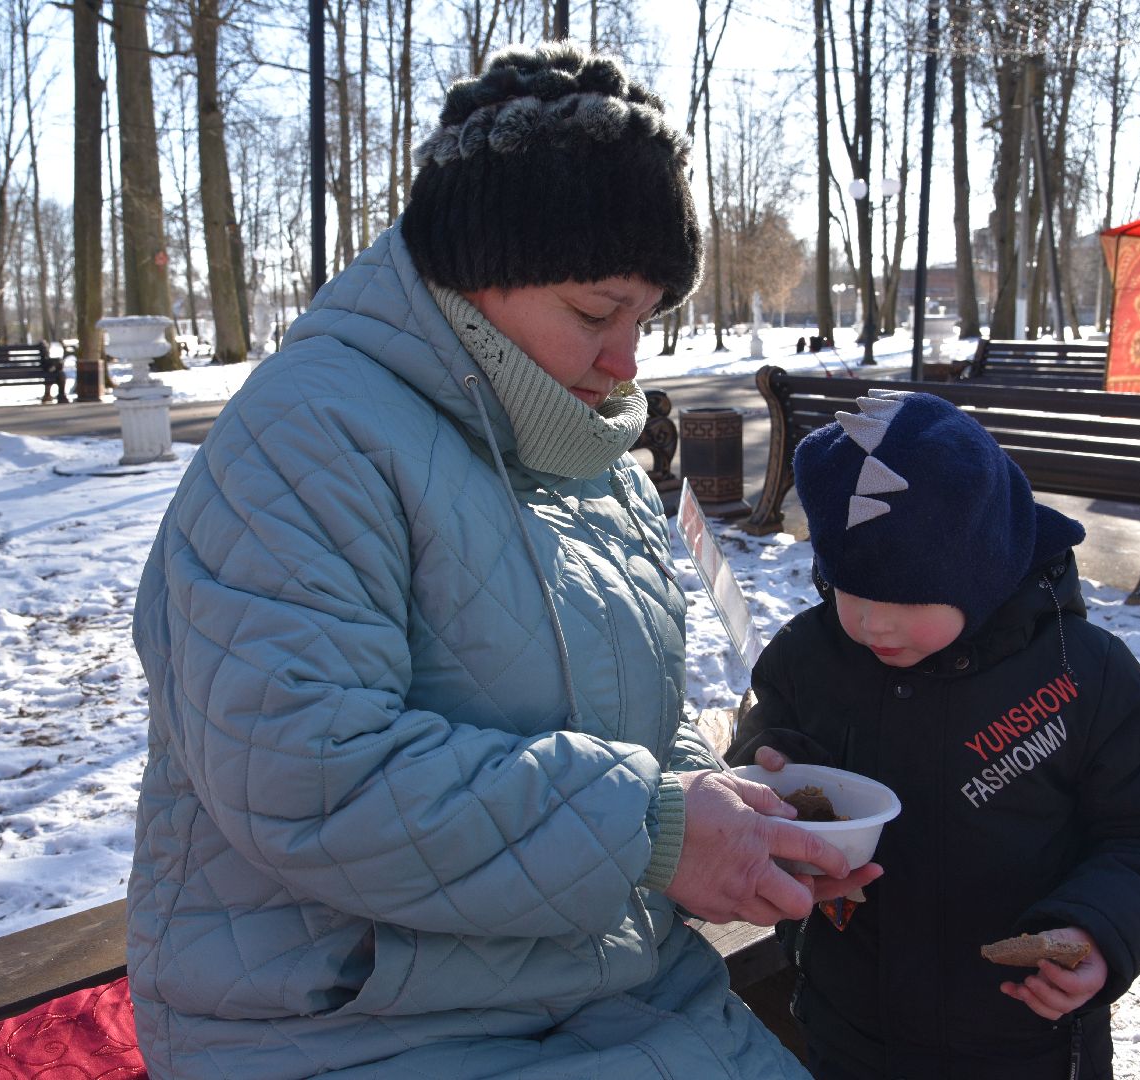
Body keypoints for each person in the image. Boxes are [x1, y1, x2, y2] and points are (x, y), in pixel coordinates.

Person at [127, 42, 877, 1080]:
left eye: (646, 319)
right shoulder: (305, 440)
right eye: (592, 313)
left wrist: (729, 816)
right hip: (353, 1017)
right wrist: (654, 831)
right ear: (479, 270)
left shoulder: (579, 438)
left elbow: (628, 724)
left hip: (596, 982)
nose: (627, 363)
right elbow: (304, 772)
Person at [726, 390, 1140, 1079]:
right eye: (849, 591)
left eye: (906, 600)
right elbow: (766, 739)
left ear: (982, 571)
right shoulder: (808, 656)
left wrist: (1096, 932)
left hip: (1023, 1042)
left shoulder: (1083, 674)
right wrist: (768, 769)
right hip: (849, 1026)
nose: (874, 624)